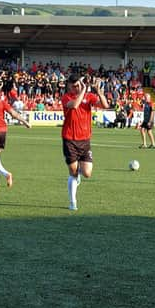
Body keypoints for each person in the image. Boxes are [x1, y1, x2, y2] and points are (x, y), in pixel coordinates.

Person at [61, 74, 109, 211]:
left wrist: (99, 92)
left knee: (87, 173)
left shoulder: (89, 97)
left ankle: (78, 176)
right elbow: (75, 105)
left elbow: (105, 105)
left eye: (78, 85)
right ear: (69, 85)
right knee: (73, 173)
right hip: (69, 139)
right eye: (74, 86)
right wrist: (84, 89)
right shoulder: (66, 98)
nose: (76, 88)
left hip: (85, 140)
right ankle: (72, 202)